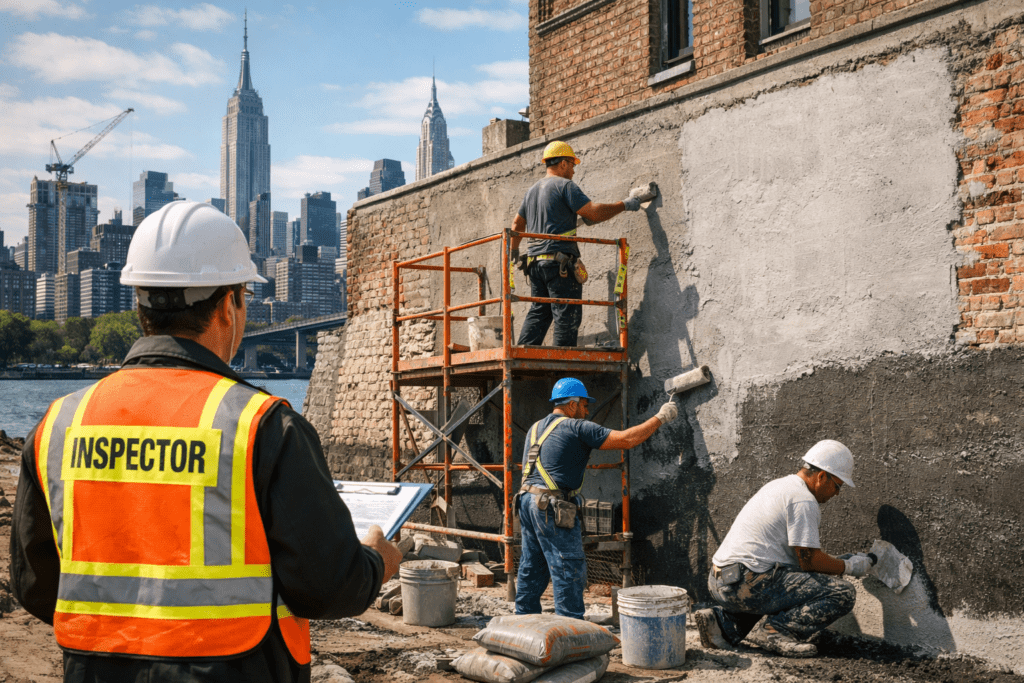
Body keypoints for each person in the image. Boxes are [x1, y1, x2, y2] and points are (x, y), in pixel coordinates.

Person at [9, 201, 404, 683]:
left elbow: (35, 585)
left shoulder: (58, 425)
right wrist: (375, 562)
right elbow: (326, 587)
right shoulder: (264, 426)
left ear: (139, 304)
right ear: (228, 306)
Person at [692, 440, 873, 658]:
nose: (837, 494)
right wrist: (849, 567)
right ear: (822, 476)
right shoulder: (804, 501)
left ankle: (721, 624)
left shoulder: (780, 486)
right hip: (746, 582)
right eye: (837, 486)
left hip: (721, 580)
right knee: (842, 593)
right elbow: (809, 561)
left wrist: (839, 562)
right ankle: (776, 632)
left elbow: (798, 565)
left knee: (779, 585)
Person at [515, 377, 678, 619]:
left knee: (533, 563)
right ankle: (570, 626)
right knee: (568, 565)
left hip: (527, 501)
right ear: (572, 404)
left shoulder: (535, 428)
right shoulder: (576, 427)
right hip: (550, 505)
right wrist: (660, 418)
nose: (586, 411)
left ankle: (523, 619)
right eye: (584, 405)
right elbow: (626, 439)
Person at [510, 140, 651, 347]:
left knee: (540, 311)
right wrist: (625, 205)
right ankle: (563, 363)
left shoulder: (531, 191)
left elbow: (516, 224)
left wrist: (513, 249)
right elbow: (593, 212)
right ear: (563, 163)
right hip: (559, 265)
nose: (574, 170)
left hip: (535, 264)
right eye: (572, 165)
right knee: (566, 314)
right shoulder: (565, 185)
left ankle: (521, 356)